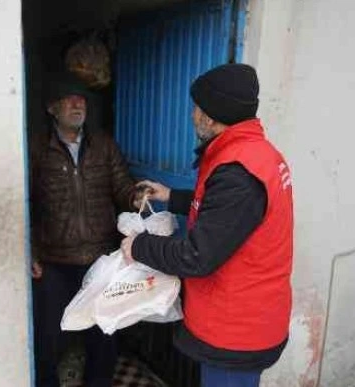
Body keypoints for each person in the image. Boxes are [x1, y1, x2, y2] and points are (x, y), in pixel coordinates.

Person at [120, 64, 294, 387]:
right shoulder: (254, 155)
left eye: (196, 108)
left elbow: (197, 256)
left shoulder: (239, 173)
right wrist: (171, 196)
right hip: (244, 319)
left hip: (237, 332)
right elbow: (225, 216)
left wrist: (138, 246)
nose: (192, 115)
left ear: (210, 118)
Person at [28, 74, 142, 387]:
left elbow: (121, 185)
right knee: (49, 335)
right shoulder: (37, 148)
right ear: (52, 108)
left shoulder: (102, 144)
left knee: (104, 332)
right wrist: (31, 250)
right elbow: (25, 201)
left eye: (83, 99)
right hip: (54, 259)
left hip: (99, 258)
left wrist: (135, 196)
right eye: (69, 98)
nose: (79, 104)